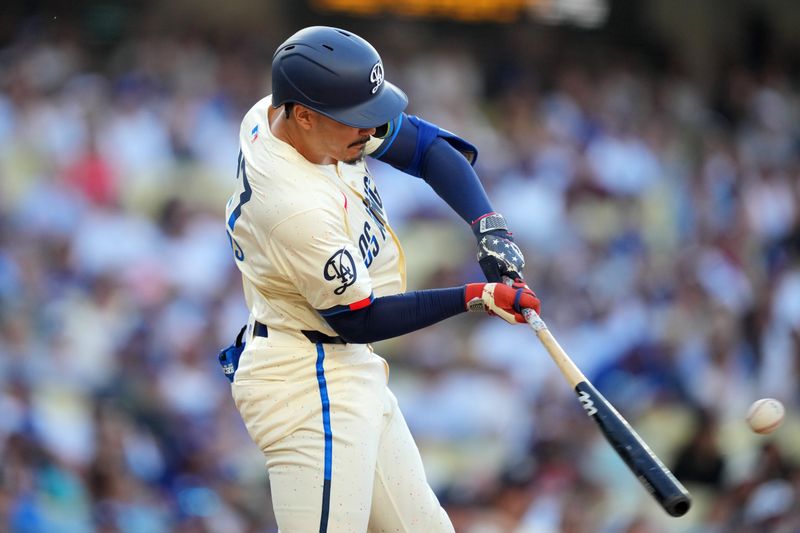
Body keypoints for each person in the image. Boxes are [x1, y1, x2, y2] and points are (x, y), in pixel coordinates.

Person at [220, 26, 541, 533]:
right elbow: (360, 320)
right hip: (306, 381)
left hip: (340, 365)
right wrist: (475, 296)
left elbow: (427, 148)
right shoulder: (294, 206)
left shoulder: (282, 113)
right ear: (302, 115)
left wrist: (488, 227)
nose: (371, 131)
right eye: (357, 119)